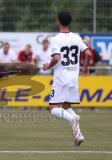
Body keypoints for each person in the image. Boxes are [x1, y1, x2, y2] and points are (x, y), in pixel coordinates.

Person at [43, 11, 91, 146]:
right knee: (66, 106)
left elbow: (57, 57)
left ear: (58, 21)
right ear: (69, 22)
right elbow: (88, 53)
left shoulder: (56, 39)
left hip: (61, 79)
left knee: (52, 109)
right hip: (73, 79)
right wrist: (85, 68)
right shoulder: (76, 37)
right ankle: (79, 135)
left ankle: (73, 119)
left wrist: (48, 66)